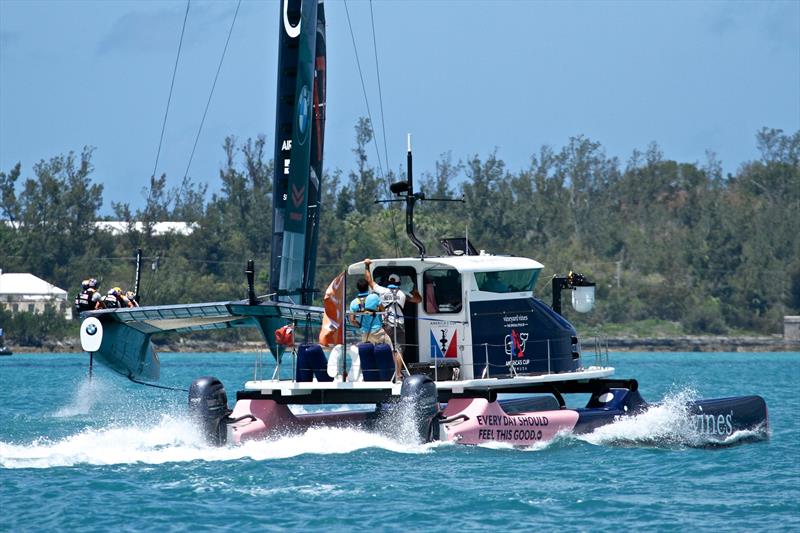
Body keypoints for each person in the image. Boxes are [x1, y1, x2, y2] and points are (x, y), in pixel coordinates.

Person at [364, 258, 421, 380]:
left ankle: (387, 373)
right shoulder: (403, 294)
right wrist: (415, 287)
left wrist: (367, 266)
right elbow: (418, 300)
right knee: (399, 349)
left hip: (386, 325)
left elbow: (369, 281)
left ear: (388, 281)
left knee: (387, 348)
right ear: (398, 282)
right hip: (399, 324)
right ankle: (399, 374)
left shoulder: (383, 291)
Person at [349, 278, 397, 378]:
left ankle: (373, 377)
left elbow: (352, 320)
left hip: (365, 334)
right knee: (391, 350)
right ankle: (396, 375)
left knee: (368, 355)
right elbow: (383, 310)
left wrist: (360, 325)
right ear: (368, 288)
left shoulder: (353, 303)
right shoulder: (374, 297)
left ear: (358, 288)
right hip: (378, 331)